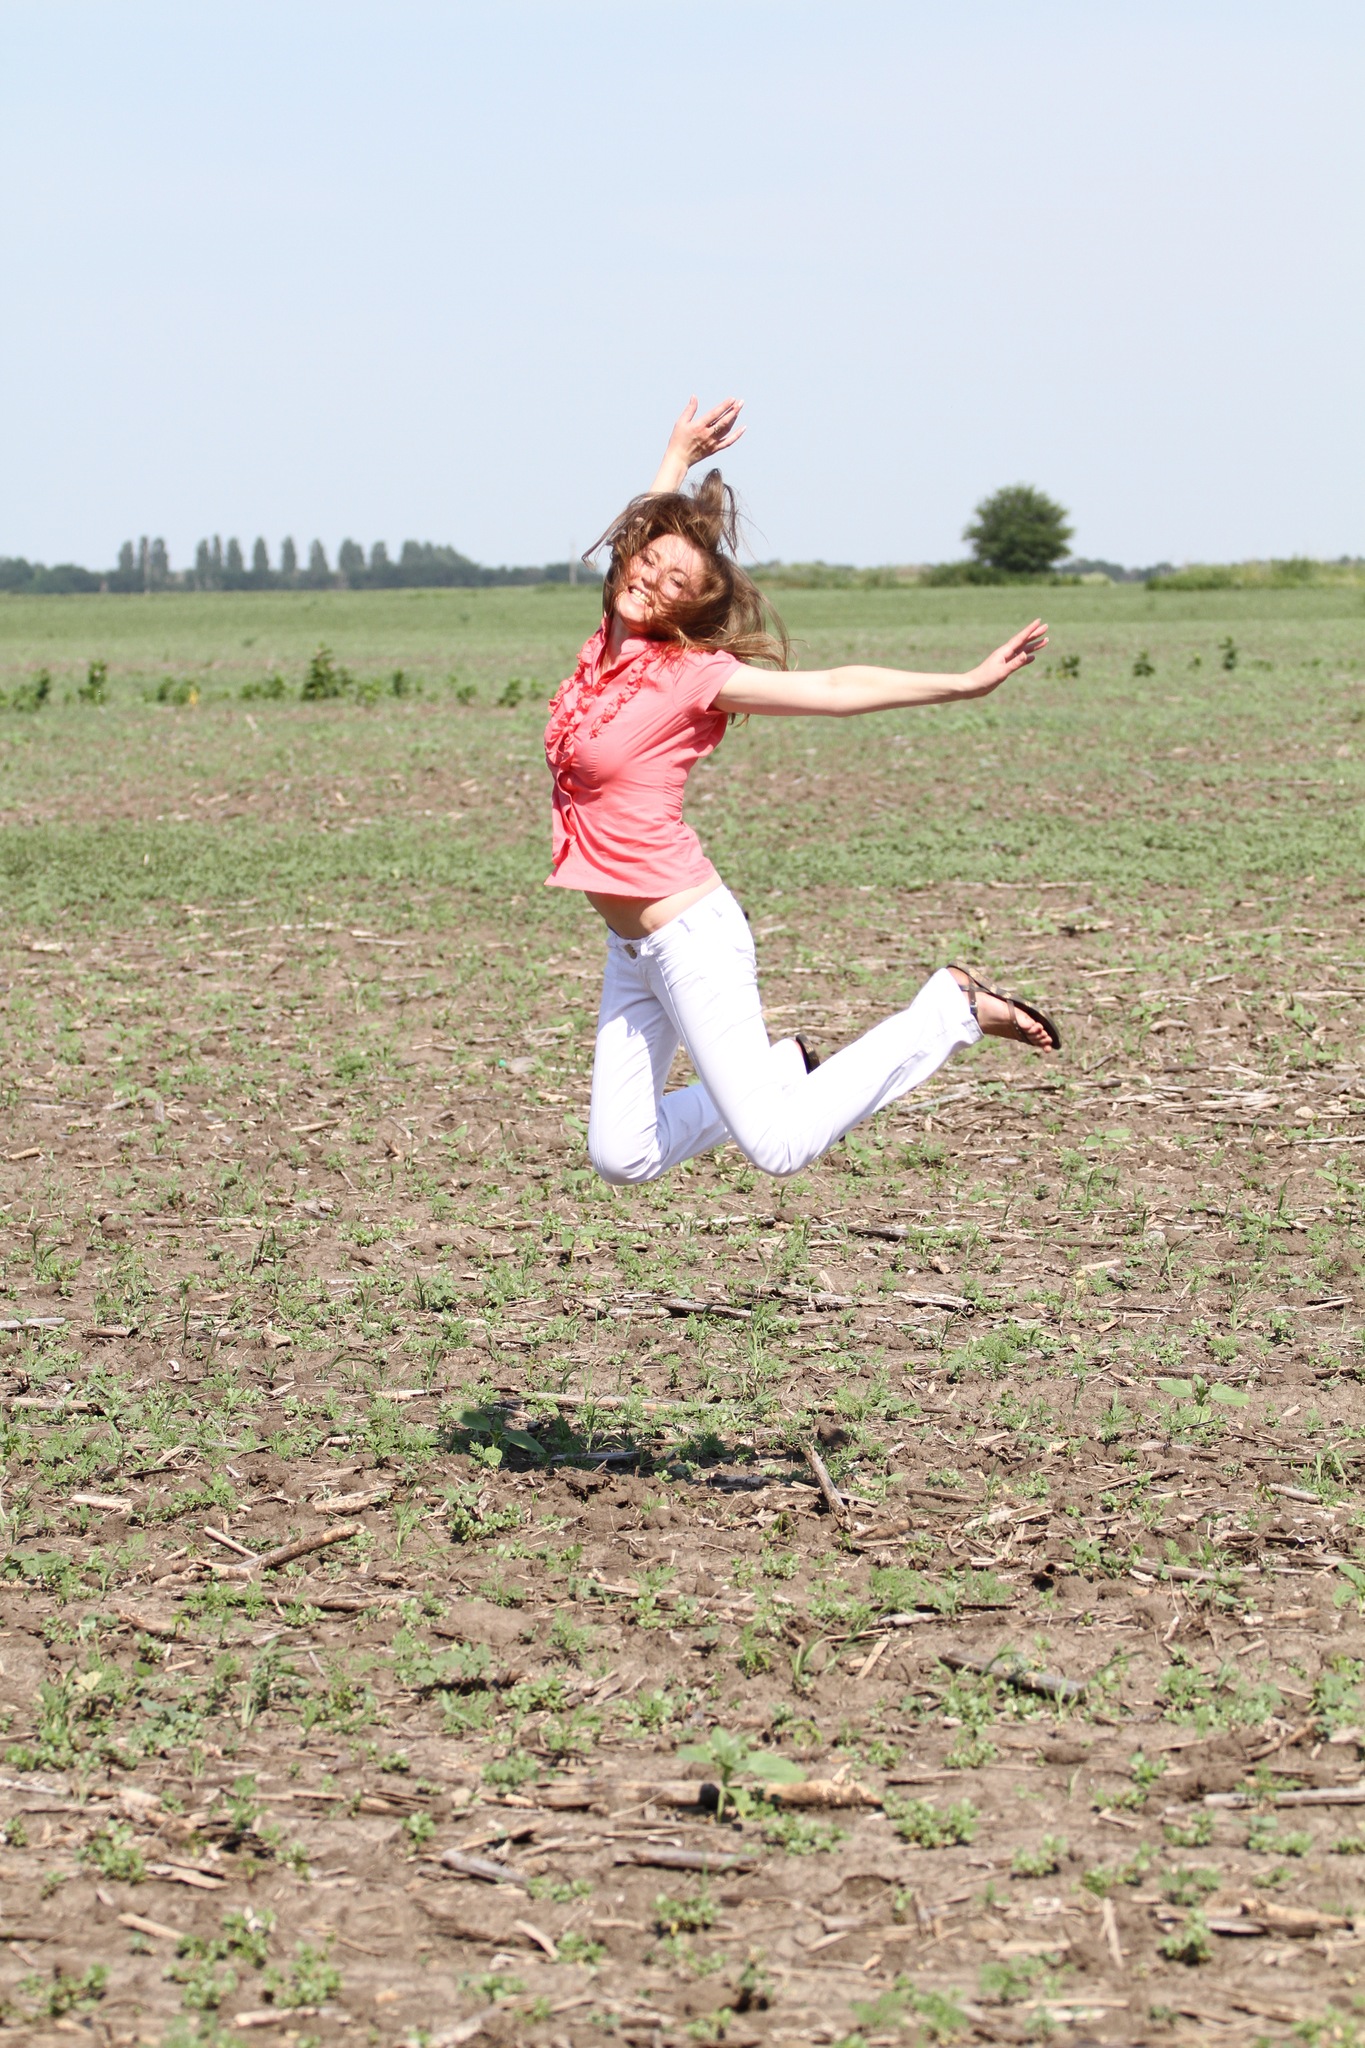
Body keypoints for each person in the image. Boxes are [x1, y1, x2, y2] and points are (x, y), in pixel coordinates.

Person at [544, 397, 1060, 1186]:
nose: (648, 577)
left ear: (689, 610)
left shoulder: (692, 676)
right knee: (621, 1154)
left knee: (779, 1147)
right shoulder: (605, 651)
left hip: (690, 937)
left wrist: (961, 683)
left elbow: (835, 688)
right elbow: (639, 535)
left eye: (674, 580)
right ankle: (782, 1068)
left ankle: (948, 1009)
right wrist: (676, 456)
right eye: (647, 561)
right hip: (630, 948)